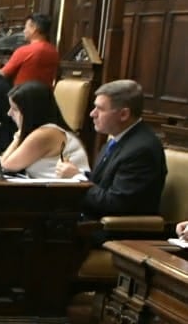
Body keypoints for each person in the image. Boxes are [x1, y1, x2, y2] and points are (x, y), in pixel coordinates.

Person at [56, 79, 166, 220]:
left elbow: (116, 204)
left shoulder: (141, 150)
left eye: (100, 109)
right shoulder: (117, 139)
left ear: (123, 114)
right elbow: (103, 183)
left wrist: (77, 178)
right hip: (92, 220)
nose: (92, 114)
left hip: (117, 230)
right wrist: (78, 174)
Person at [0, 81, 90, 180]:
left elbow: (7, 165)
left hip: (68, 191)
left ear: (31, 112)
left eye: (15, 109)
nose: (9, 113)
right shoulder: (47, 130)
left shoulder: (46, 133)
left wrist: (19, 134)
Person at [0, 12, 60, 87]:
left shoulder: (24, 51)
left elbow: (2, 74)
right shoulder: (54, 52)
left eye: (25, 28)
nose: (24, 31)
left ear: (34, 28)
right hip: (45, 97)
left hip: (22, 96)